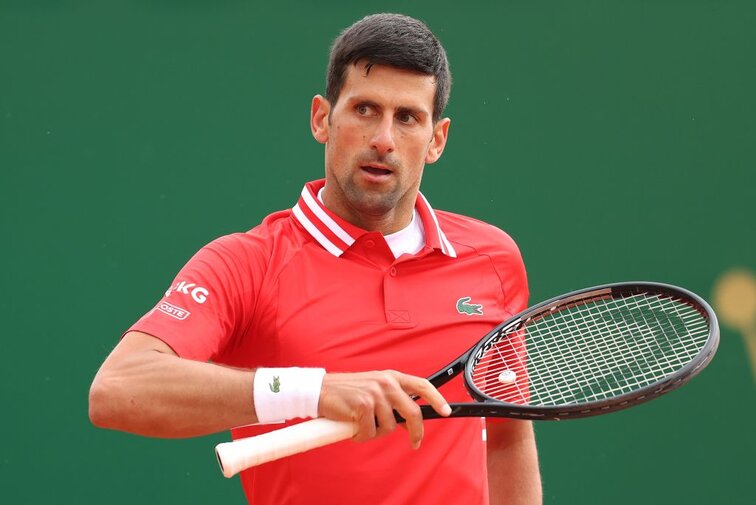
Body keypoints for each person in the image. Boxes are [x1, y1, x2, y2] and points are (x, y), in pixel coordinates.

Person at [89, 13, 542, 505]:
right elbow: (118, 389)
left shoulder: (493, 261)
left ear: (437, 139)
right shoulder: (247, 263)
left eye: (407, 117)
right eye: (365, 109)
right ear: (322, 118)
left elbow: (507, 434)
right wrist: (314, 391)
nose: (383, 139)